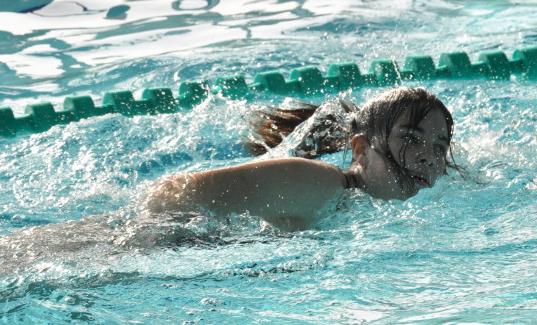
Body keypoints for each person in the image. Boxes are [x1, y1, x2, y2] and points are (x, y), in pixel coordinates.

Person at [143, 86, 455, 230]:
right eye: (411, 138)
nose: (428, 157)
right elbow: (168, 195)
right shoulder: (318, 183)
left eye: (440, 146)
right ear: (360, 150)